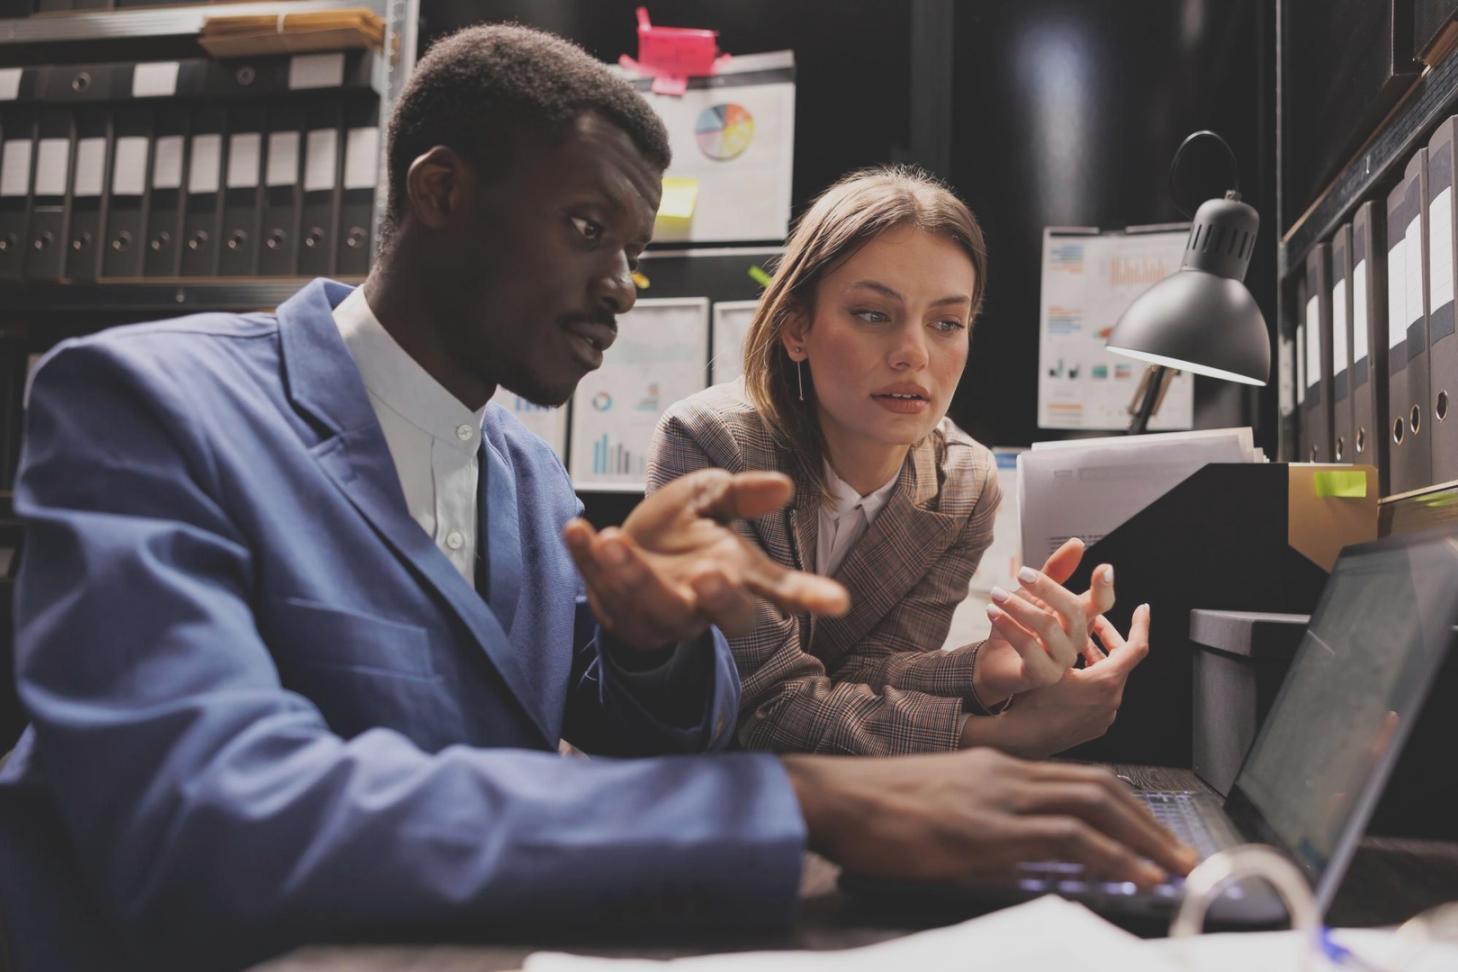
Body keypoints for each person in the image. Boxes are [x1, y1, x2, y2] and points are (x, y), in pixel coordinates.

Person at [0, 24, 1195, 972]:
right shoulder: (147, 403)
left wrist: (652, 648)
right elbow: (212, 817)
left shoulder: (520, 465)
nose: (622, 288)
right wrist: (802, 800)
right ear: (442, 192)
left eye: (635, 247)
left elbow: (622, 718)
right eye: (588, 229)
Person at [647, 167, 1150, 758]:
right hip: (686, 791)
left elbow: (867, 678)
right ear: (796, 330)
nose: (914, 353)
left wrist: (985, 672)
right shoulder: (712, 445)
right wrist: (995, 737)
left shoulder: (964, 485)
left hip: (841, 796)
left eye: (946, 324)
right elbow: (762, 709)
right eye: (872, 314)